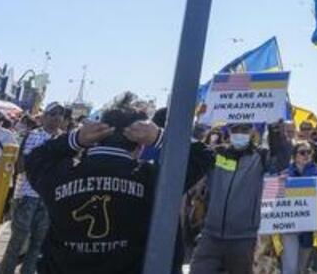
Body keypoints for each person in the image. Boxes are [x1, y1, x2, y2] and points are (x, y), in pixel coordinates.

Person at [23, 92, 213, 273]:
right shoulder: (155, 179)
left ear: (96, 138)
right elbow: (204, 155)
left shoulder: (61, 174)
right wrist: (159, 137)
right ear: (140, 146)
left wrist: (76, 139)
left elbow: (33, 158)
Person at [190, 122, 280, 274]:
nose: (239, 133)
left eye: (244, 129)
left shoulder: (261, 156)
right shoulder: (217, 153)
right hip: (210, 234)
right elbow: (192, 151)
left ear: (252, 131)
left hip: (243, 238)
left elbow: (281, 157)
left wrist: (275, 127)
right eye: (235, 129)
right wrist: (200, 118)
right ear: (229, 132)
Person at [0, 102, 67, 274]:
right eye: (52, 113)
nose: (56, 117)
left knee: (38, 243)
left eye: (60, 114)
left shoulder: (65, 139)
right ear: (43, 117)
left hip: (50, 198)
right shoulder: (34, 135)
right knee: (18, 241)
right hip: (28, 194)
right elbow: (23, 165)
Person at [282, 141, 317, 274]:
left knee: (302, 267)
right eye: (302, 152)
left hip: (308, 226)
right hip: (289, 225)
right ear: (294, 156)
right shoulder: (285, 174)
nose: (306, 155)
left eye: (309, 152)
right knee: (290, 266)